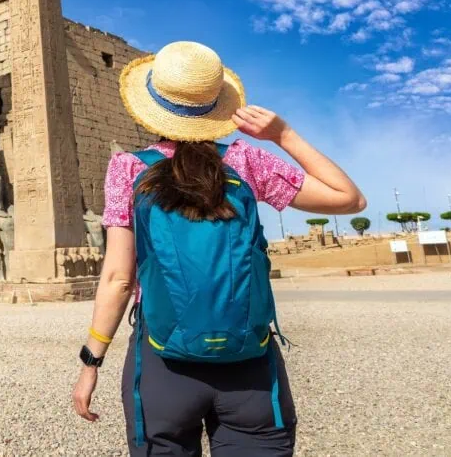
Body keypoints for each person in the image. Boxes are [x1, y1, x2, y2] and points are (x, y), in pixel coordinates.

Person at [71, 41, 365, 456]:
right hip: (250, 365)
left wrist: (91, 363)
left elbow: (119, 279)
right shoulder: (246, 162)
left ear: (153, 106)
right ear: (217, 107)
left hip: (163, 365)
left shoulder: (130, 167)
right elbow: (349, 199)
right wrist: (283, 134)